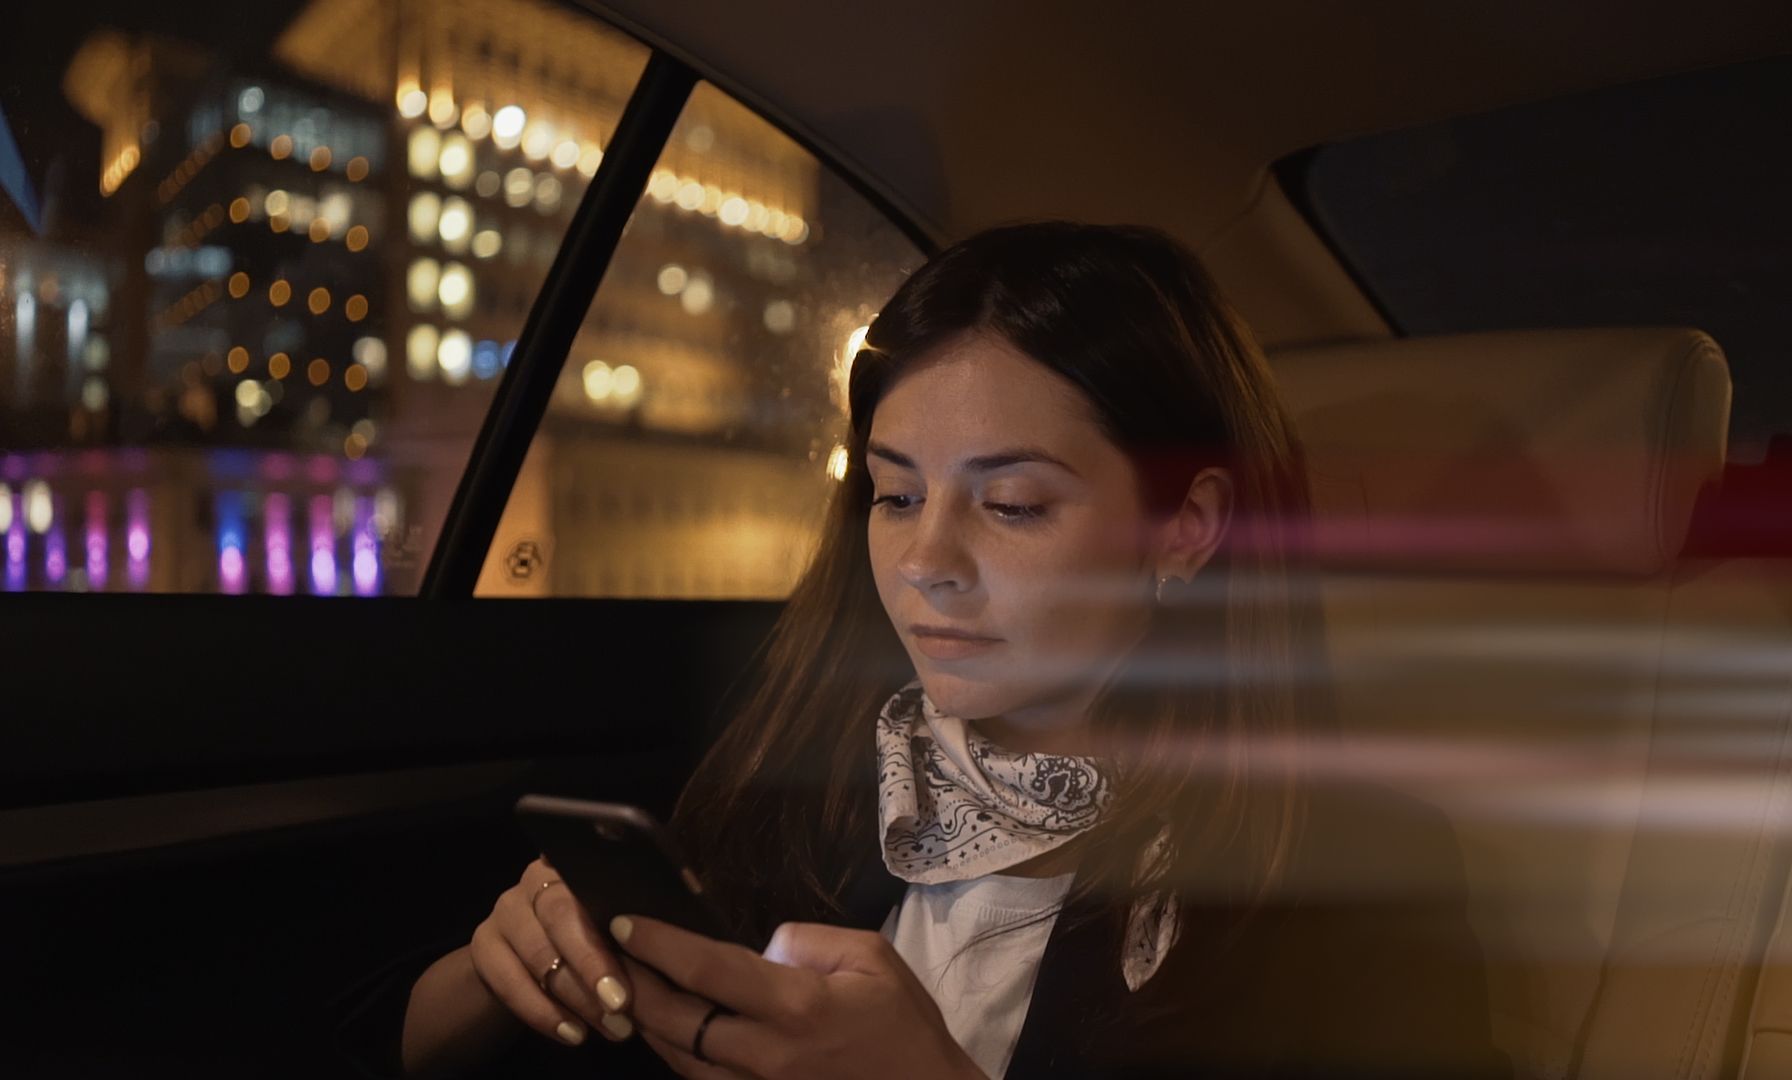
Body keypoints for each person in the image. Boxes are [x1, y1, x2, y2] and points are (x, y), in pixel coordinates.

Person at [353, 221, 1507, 1078]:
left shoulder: (1350, 880)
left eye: (1010, 505)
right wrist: (490, 982)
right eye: (895, 497)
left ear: (1188, 529)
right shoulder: (800, 777)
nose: (924, 561)